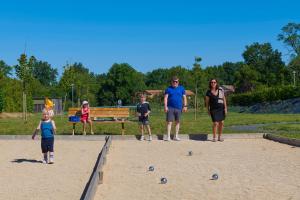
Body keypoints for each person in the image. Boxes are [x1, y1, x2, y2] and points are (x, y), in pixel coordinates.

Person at [164, 76, 188, 141]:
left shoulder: (182, 88)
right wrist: (165, 106)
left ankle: (176, 136)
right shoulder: (168, 89)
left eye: (176, 81)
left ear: (178, 82)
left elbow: (184, 97)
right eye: (174, 81)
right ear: (171, 82)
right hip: (170, 108)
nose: (175, 83)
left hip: (179, 108)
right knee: (169, 122)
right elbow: (166, 97)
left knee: (177, 122)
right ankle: (168, 136)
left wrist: (185, 106)